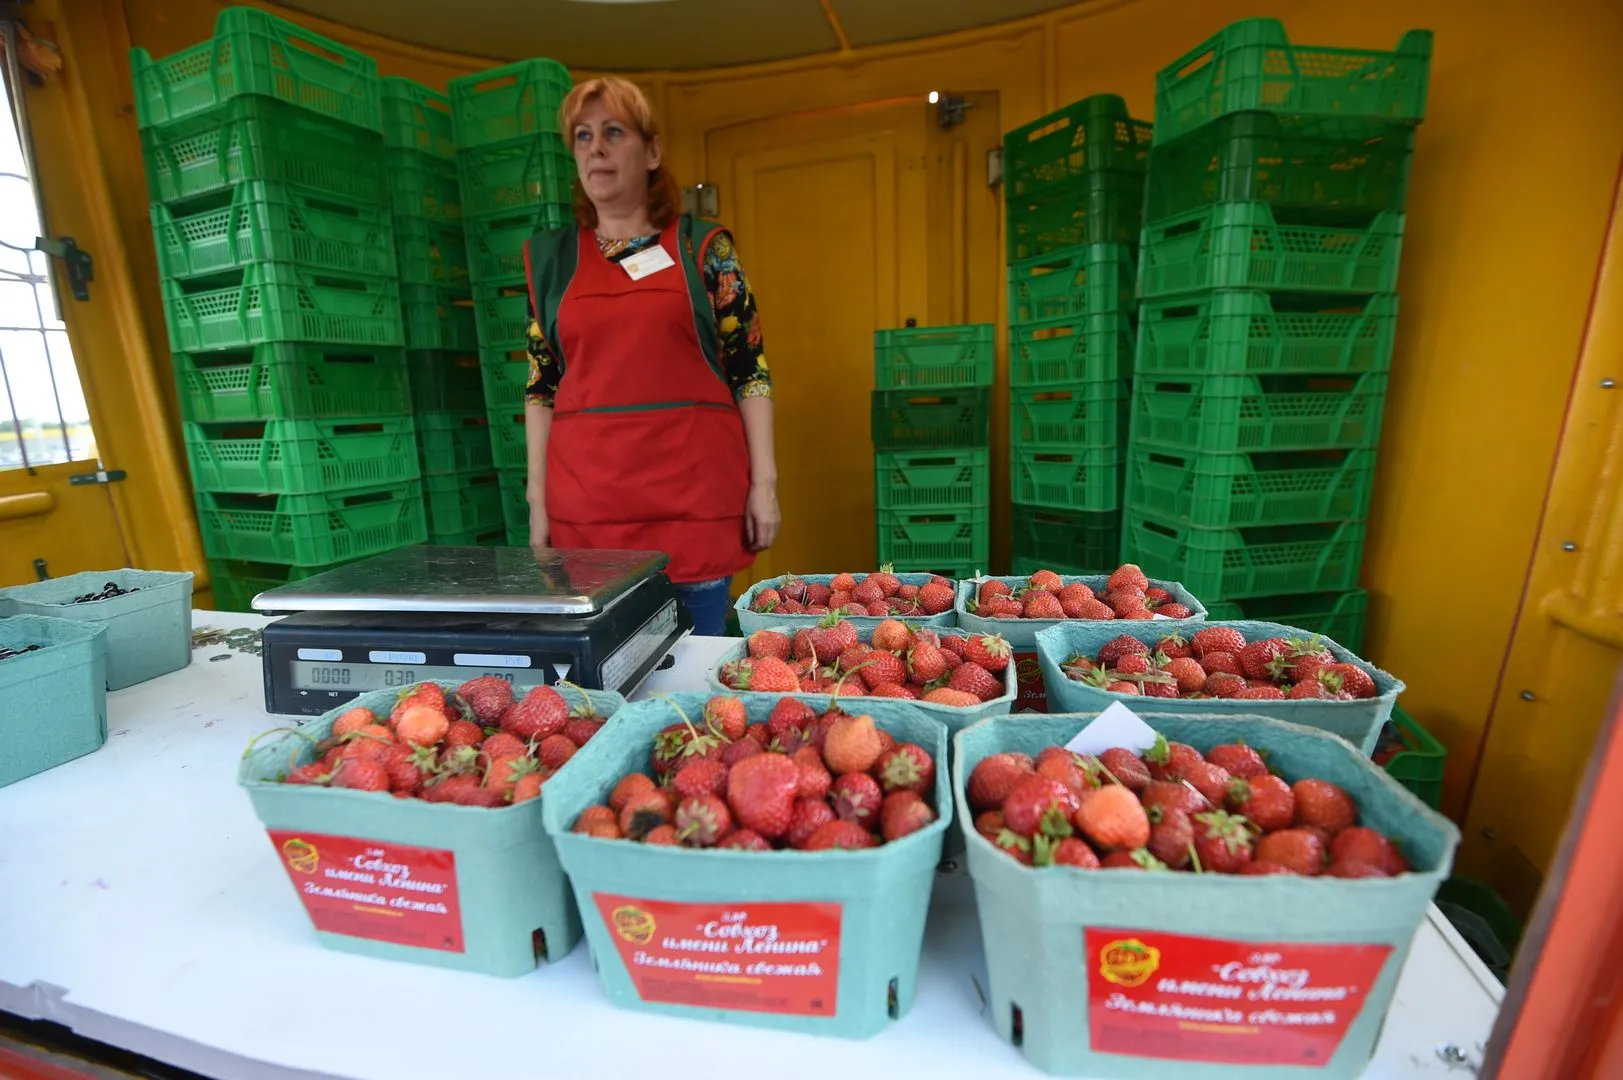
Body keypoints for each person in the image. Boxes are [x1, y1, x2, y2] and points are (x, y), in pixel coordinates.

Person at [521, 76, 779, 637]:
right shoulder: (551, 262)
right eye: (583, 136)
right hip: (588, 515)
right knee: (602, 680)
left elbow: (750, 371)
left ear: (653, 151)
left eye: (614, 132)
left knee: (694, 674)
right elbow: (541, 387)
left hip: (695, 507)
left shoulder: (706, 250)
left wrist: (764, 485)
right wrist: (537, 502)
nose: (596, 148)